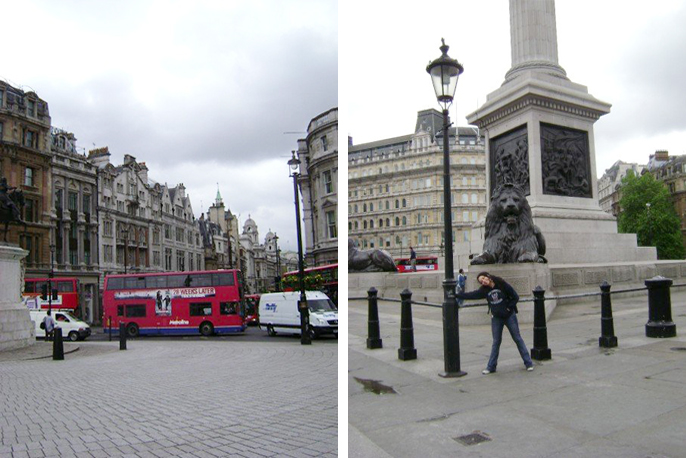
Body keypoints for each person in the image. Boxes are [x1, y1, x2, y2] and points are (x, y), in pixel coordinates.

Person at [456, 271, 534, 374]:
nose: (483, 281)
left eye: (483, 278)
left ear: (488, 276)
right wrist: (457, 295)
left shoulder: (501, 284)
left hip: (509, 316)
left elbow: (515, 297)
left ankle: (528, 363)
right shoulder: (484, 290)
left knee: (517, 338)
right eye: (481, 281)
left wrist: (508, 308)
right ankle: (491, 367)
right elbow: (472, 295)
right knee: (496, 342)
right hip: (496, 318)